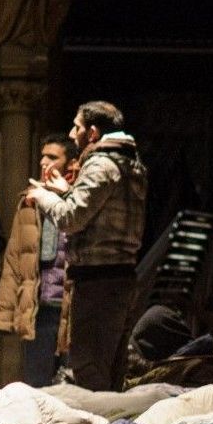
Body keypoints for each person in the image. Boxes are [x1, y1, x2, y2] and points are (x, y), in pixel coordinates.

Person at [25, 101, 148, 391]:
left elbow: (70, 218)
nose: (72, 133)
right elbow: (103, 211)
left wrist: (43, 196)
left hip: (97, 281)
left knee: (89, 368)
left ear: (92, 132)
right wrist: (66, 191)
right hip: (120, 277)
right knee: (111, 370)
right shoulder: (133, 164)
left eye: (77, 127)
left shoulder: (101, 164)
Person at [0, 133, 78, 386]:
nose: (43, 162)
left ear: (70, 163)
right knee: (36, 384)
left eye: (52, 157)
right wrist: (5, 315)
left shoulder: (79, 200)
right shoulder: (29, 202)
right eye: (42, 156)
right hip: (39, 307)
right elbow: (14, 258)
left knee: (71, 384)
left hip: (70, 305)